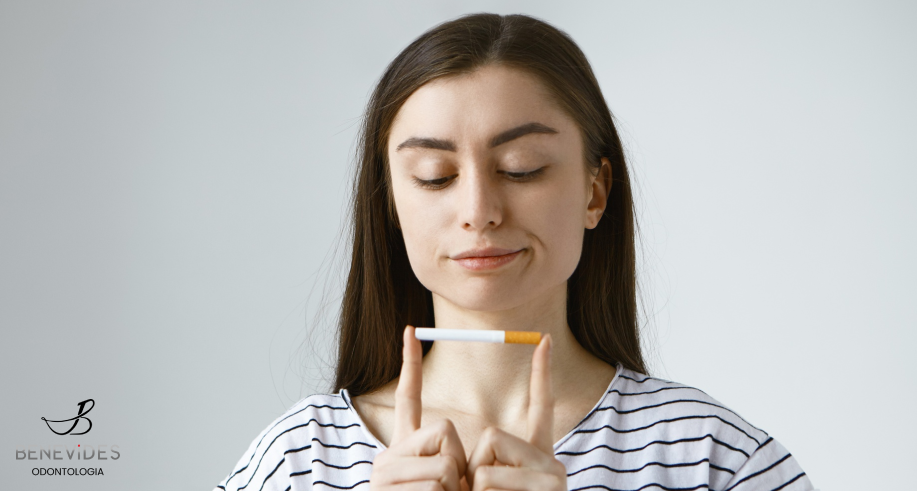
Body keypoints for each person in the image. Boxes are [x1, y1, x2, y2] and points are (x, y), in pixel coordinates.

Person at [214, 13, 815, 491]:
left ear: (594, 191)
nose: (479, 210)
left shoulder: (713, 459)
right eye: (433, 175)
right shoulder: (299, 460)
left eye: (520, 169)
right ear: (391, 203)